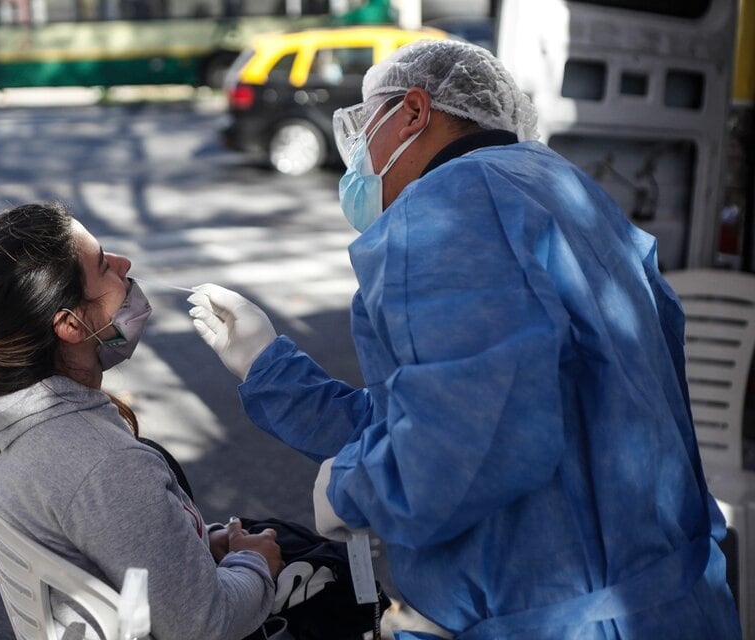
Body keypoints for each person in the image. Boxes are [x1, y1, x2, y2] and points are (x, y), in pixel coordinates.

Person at [187, 39, 742, 639]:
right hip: (678, 600)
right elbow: (434, 410)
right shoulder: (557, 184)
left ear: (413, 112)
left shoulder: (447, 207)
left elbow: (468, 440)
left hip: (565, 621)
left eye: (362, 129)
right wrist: (270, 369)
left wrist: (351, 489)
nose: (356, 161)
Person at [0, 202, 283, 640]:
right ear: (70, 324)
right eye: (104, 265)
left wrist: (191, 544)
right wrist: (256, 562)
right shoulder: (103, 464)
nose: (125, 265)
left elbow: (103, 536)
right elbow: (205, 625)